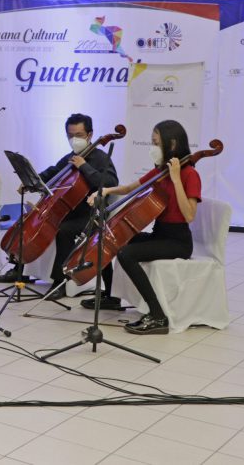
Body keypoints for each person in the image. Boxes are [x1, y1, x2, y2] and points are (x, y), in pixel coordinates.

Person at [82, 120, 201, 335]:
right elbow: (130, 188)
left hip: (178, 241)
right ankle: (112, 296)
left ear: (172, 144)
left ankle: (157, 315)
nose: (153, 148)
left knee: (127, 254)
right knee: (116, 239)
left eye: (156, 143)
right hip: (160, 234)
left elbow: (189, 215)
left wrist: (176, 180)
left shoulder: (189, 174)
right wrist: (106, 191)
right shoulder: (160, 171)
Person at [0, 113, 118, 288]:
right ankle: (19, 269)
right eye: (70, 135)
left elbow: (111, 183)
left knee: (63, 230)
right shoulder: (69, 157)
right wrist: (30, 181)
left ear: (90, 135)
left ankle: (60, 282)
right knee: (31, 220)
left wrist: (84, 166)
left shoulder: (100, 158)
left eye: (79, 135)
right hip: (65, 210)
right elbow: (53, 172)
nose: (74, 139)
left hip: (88, 214)